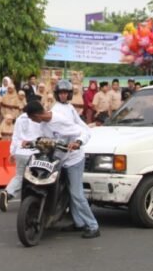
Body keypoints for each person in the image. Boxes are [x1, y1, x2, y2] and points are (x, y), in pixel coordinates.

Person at [25, 99, 99, 238]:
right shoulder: (43, 124)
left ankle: (93, 226)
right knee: (65, 191)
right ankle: (79, 223)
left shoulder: (61, 120)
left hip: (74, 159)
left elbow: (84, 132)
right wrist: (31, 142)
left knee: (76, 194)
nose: (31, 121)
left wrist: (78, 142)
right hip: (57, 160)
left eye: (31, 118)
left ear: (36, 115)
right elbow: (43, 139)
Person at [0, 108, 43, 212]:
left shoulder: (19, 118)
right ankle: (33, 200)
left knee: (19, 176)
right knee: (36, 176)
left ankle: (8, 193)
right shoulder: (38, 118)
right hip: (34, 151)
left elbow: (15, 137)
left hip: (20, 152)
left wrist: (13, 152)